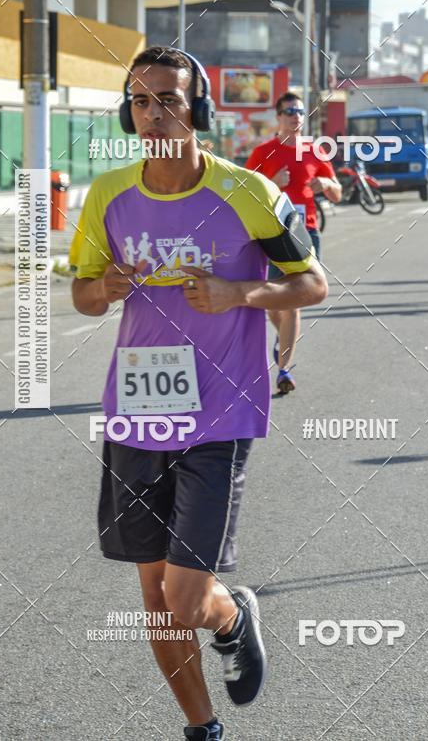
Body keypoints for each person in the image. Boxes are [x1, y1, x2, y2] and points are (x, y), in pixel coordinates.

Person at [69, 46, 328, 741]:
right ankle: (201, 729)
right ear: (129, 110)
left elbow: (312, 284)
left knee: (185, 600)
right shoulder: (108, 195)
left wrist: (239, 292)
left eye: (171, 101)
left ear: (199, 111)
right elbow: (82, 295)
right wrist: (105, 287)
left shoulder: (247, 191)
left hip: (221, 410)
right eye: (142, 99)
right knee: (154, 600)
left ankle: (233, 617)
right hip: (139, 413)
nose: (155, 113)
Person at [245, 92, 341, 393]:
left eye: (299, 111)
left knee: (294, 302)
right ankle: (283, 339)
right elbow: (243, 195)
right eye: (289, 111)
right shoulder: (263, 152)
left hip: (305, 231)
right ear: (278, 117)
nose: (295, 116)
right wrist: (273, 183)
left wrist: (326, 183)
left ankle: (284, 369)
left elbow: (337, 192)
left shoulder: (316, 151)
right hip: (271, 233)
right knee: (275, 304)